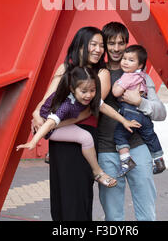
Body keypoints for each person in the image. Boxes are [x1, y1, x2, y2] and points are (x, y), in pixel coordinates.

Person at [31, 26, 114, 221]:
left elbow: (88, 109)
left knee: (77, 197)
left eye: (101, 45)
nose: (98, 49)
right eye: (93, 44)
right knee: (60, 196)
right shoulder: (64, 69)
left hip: (82, 139)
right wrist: (36, 114)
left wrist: (52, 125)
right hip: (60, 140)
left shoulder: (102, 73)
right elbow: (47, 99)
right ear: (80, 45)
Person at [17, 66, 141, 188]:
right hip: (49, 128)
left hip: (61, 121)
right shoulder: (66, 105)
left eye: (92, 90)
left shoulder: (91, 96)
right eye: (84, 91)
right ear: (72, 89)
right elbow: (49, 124)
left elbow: (104, 108)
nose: (88, 95)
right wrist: (33, 142)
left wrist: (124, 121)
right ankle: (98, 173)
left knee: (85, 135)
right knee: (85, 137)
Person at [97, 22, 167, 221]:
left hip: (137, 148)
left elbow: (161, 113)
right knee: (113, 215)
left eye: (121, 43)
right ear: (105, 44)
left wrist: (140, 102)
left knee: (146, 212)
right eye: (111, 43)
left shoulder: (139, 75)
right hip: (106, 150)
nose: (117, 48)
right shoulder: (96, 72)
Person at [112, 44, 166, 177]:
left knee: (120, 134)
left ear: (140, 65)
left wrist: (116, 84)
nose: (125, 62)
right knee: (150, 135)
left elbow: (116, 92)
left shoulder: (127, 76)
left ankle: (126, 161)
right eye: (124, 58)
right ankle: (159, 159)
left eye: (131, 60)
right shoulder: (142, 76)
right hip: (144, 117)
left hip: (131, 113)